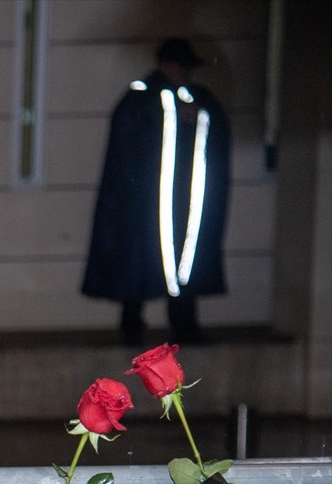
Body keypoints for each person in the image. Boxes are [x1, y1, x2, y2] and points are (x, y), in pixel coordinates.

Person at [83, 37, 230, 345]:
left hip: (184, 201)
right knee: (139, 262)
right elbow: (125, 151)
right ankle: (131, 325)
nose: (184, 74)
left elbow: (216, 133)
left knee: (184, 263)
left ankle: (184, 323)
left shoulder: (197, 98)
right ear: (166, 65)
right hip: (145, 204)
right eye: (180, 67)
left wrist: (197, 117)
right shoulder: (140, 99)